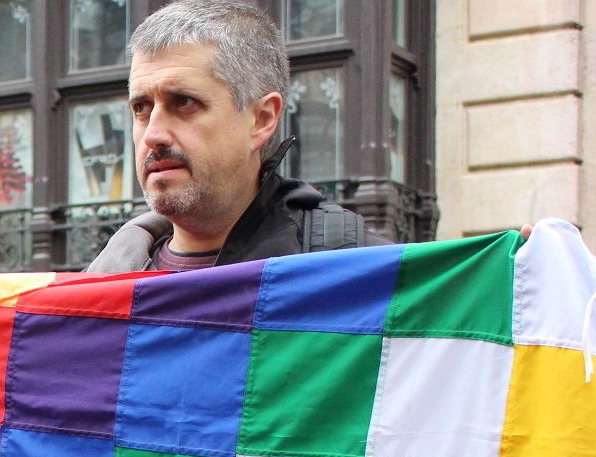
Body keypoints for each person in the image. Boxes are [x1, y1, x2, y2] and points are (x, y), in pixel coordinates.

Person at [89, 0, 382, 273]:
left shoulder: (358, 275)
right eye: (141, 108)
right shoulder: (93, 291)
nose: (153, 135)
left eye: (184, 102)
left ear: (262, 119)